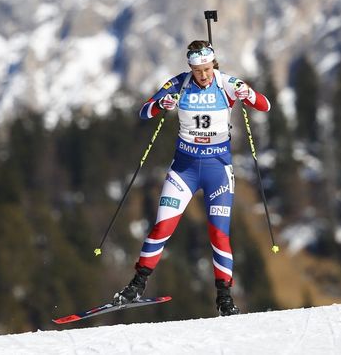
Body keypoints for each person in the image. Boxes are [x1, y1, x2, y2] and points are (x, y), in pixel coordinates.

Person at [113, 40, 271, 316]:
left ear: (214, 64)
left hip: (218, 170)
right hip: (184, 169)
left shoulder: (227, 84)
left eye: (207, 68)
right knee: (161, 228)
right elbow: (144, 111)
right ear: (190, 67)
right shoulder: (178, 83)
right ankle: (136, 286)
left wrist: (248, 94)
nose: (203, 75)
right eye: (197, 70)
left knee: (219, 234)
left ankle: (224, 298)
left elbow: (264, 105)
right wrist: (161, 104)